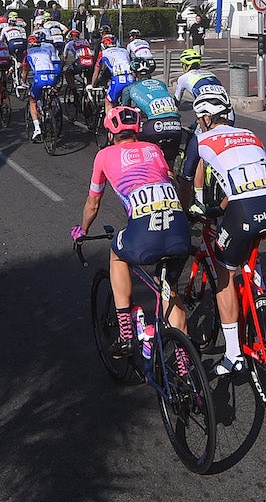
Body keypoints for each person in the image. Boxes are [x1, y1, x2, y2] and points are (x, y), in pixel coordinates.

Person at [70, 104, 192, 357]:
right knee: (170, 289)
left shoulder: (104, 156)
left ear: (111, 133)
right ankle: (185, 366)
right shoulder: (154, 149)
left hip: (144, 228)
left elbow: (93, 204)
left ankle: (126, 333)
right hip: (178, 225)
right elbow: (169, 178)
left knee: (117, 253)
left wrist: (82, 230)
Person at [180, 88, 266, 377]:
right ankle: (259, 295)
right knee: (249, 244)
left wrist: (189, 208)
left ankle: (233, 355)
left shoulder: (200, 139)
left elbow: (186, 179)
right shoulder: (250, 134)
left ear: (204, 117)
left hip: (245, 209)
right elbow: (247, 176)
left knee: (224, 272)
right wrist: (221, 206)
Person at [118, 54, 186, 164]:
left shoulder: (129, 89)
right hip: (176, 125)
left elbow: (124, 112)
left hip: (155, 125)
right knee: (169, 163)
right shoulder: (161, 84)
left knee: (138, 148)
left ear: (134, 74)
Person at [23, 30, 62, 140]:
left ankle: (37, 129)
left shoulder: (28, 52)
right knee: (48, 93)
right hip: (52, 75)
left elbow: (25, 71)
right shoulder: (46, 50)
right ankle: (49, 111)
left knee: (33, 100)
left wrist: (23, 81)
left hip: (40, 76)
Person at [172, 48, 225, 112]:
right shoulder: (210, 73)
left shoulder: (183, 78)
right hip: (226, 105)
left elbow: (176, 101)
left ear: (185, 65)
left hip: (209, 108)